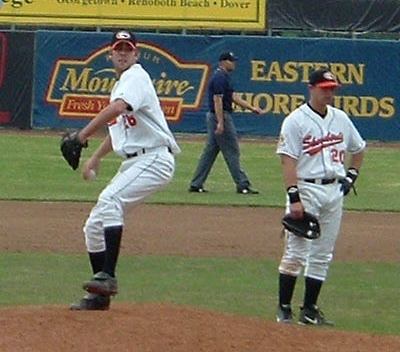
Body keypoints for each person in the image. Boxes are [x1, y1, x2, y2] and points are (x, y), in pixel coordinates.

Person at [69, 30, 180, 310]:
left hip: (155, 158)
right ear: (110, 54)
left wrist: (81, 136)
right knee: (93, 226)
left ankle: (108, 277)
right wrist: (95, 157)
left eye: (127, 49)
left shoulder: (136, 77)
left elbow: (117, 109)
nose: (122, 53)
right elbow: (118, 127)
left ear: (136, 54)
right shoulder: (121, 85)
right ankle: (99, 296)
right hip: (136, 160)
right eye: (117, 49)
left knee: (110, 200)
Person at [275, 69, 366, 325]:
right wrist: (294, 197)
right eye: (324, 88)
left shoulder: (341, 119)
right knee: (296, 252)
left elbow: (359, 149)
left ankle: (310, 310)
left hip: (334, 191)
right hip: (306, 188)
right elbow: (288, 161)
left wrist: (351, 176)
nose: (329, 93)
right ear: (311, 88)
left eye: (333, 88)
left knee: (323, 253)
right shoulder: (295, 120)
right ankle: (284, 309)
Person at [188, 51, 265, 194]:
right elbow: (218, 100)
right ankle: (242, 185)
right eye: (231, 61)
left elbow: (233, 97)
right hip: (220, 115)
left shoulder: (224, 77)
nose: (234, 63)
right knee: (232, 150)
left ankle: (196, 184)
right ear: (223, 61)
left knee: (210, 151)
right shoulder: (219, 78)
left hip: (217, 116)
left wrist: (252, 108)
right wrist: (221, 122)